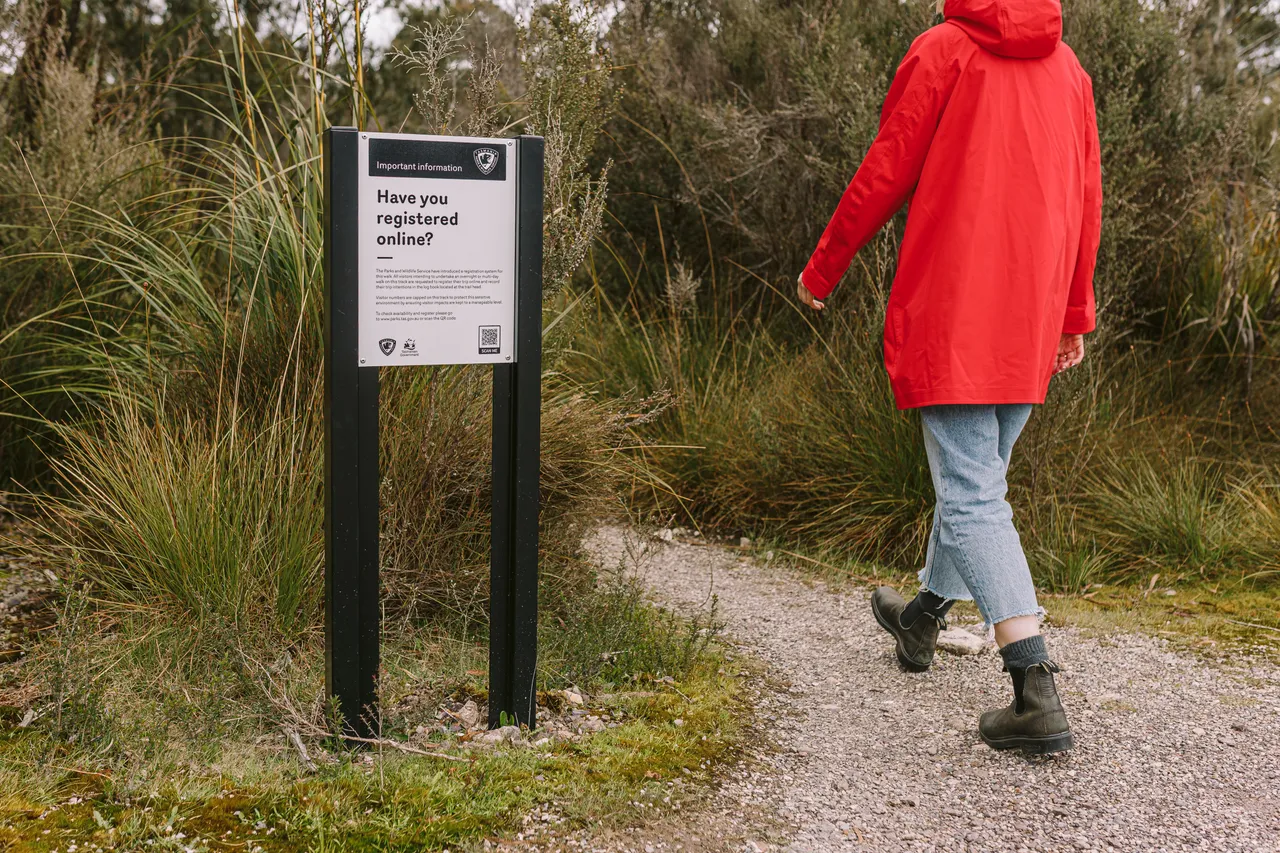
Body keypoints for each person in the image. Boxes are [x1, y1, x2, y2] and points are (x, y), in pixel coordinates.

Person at [796, 0, 1100, 755]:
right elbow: (1085, 195)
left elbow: (886, 166)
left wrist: (824, 266)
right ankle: (924, 616)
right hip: (1030, 312)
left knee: (971, 494)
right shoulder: (1069, 69)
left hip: (957, 306)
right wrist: (1073, 312)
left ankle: (1034, 688)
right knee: (977, 479)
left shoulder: (944, 49)